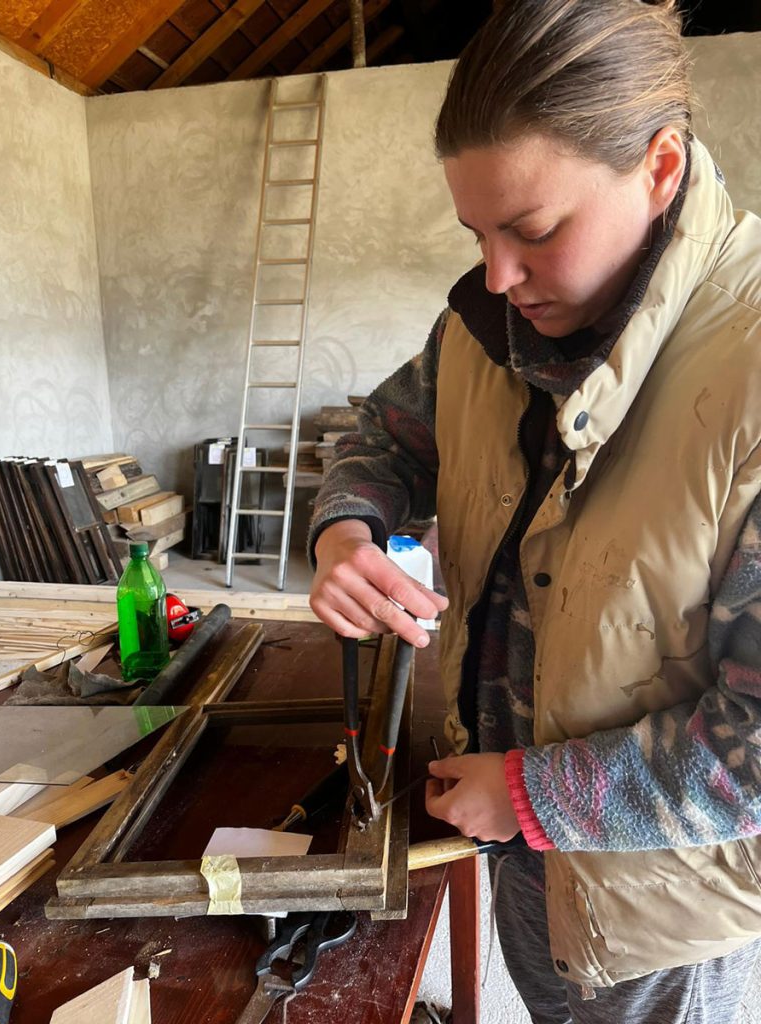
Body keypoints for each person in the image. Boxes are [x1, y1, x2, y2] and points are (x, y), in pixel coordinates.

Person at [308, 0, 761, 1020]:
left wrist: (529, 794)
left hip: (660, 918)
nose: (499, 276)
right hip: (513, 853)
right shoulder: (483, 325)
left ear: (660, 165)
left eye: (535, 229)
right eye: (476, 233)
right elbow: (380, 436)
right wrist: (348, 530)